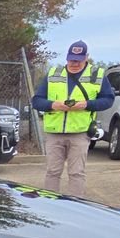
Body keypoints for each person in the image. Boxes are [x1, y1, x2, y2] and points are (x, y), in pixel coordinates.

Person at [31, 40, 112, 197]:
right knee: (52, 171)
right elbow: (37, 101)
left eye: (78, 60)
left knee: (76, 173)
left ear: (87, 57)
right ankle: (50, 204)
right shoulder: (54, 73)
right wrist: (53, 105)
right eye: (71, 59)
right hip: (54, 131)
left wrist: (86, 104)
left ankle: (75, 206)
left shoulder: (97, 75)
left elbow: (108, 100)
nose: (74, 63)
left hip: (80, 132)